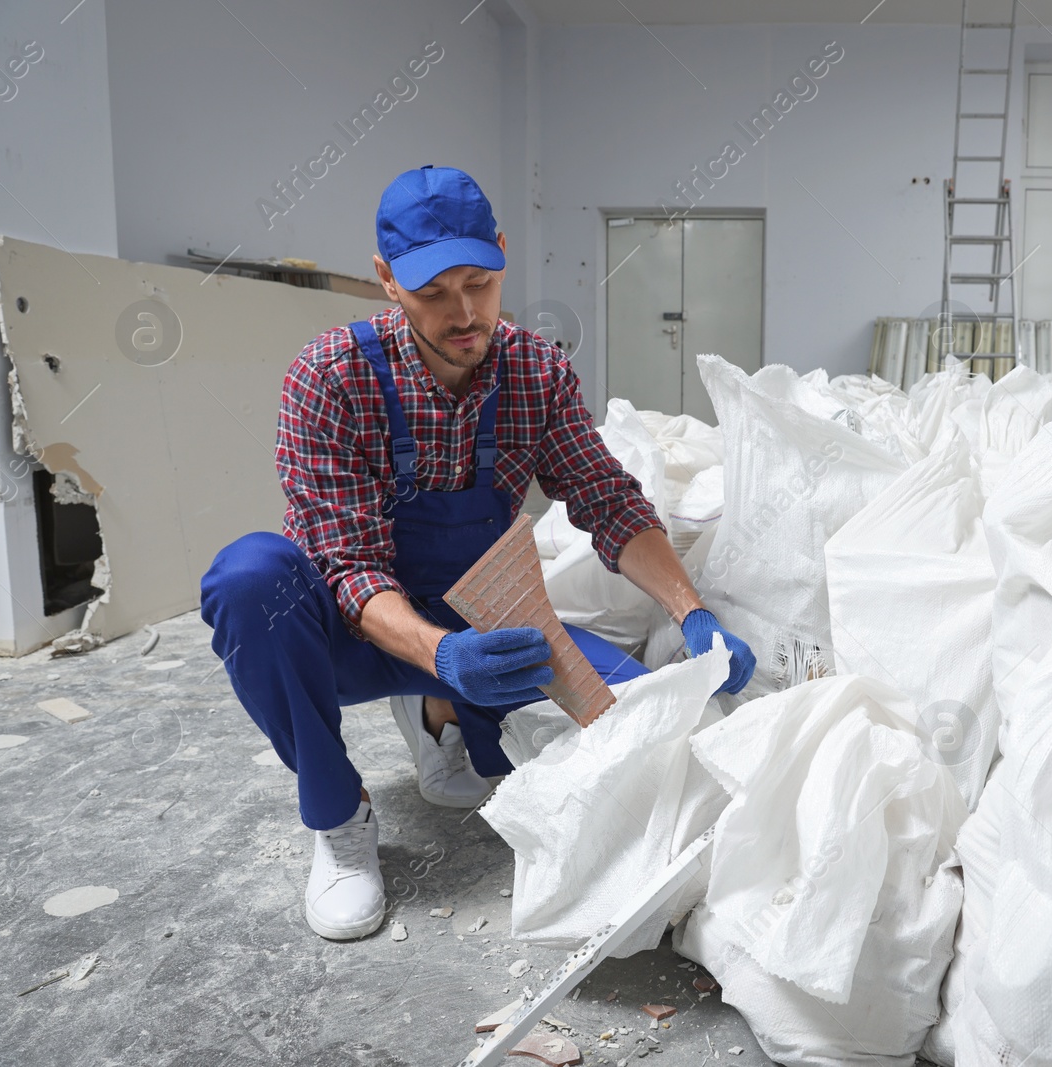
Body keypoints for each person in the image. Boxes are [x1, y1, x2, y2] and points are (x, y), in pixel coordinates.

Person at [199, 165, 755, 941]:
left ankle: (442, 721)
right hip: (353, 633)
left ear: (500, 253)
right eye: (434, 292)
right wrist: (446, 656)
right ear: (387, 280)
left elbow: (608, 501)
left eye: (479, 283)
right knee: (249, 578)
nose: (465, 314)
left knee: (634, 721)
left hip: (479, 616)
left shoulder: (534, 371)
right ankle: (339, 819)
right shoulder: (329, 377)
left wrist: (691, 614)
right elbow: (349, 568)